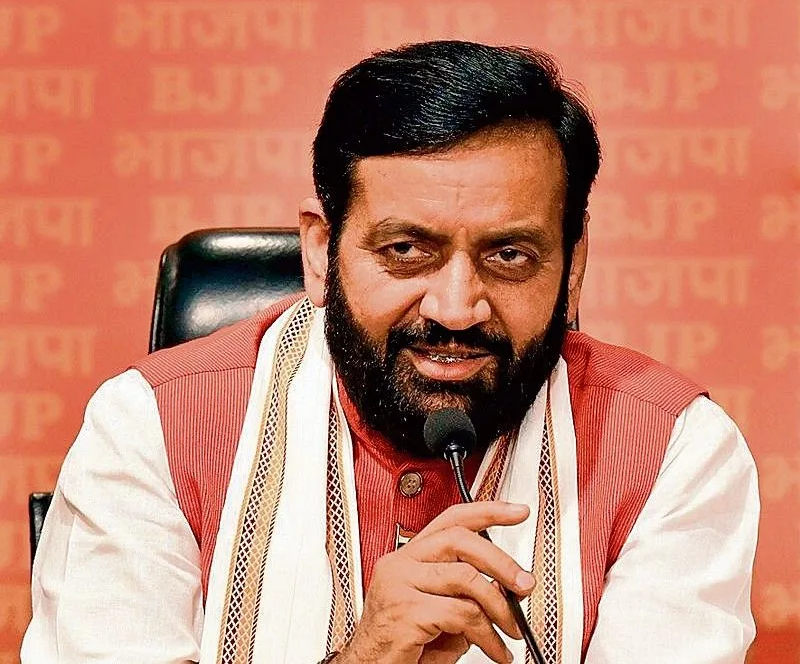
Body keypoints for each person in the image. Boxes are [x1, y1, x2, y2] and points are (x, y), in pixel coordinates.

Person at [21, 40, 758, 664]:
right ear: (321, 252)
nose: (456, 308)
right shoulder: (150, 428)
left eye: (509, 255)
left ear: (574, 264)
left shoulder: (671, 448)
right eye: (406, 250)